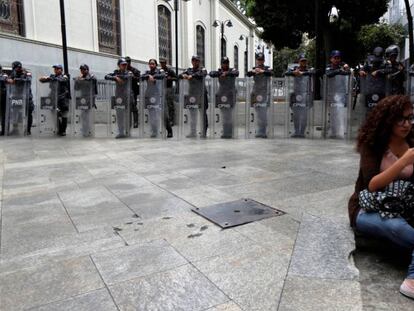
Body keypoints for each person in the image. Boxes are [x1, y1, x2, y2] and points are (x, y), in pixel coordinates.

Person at [348, 95, 414, 299]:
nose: (407, 124)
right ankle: (412, 282)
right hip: (369, 208)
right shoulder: (373, 145)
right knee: (396, 227)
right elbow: (372, 184)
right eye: (401, 119)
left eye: (411, 118)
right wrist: (403, 161)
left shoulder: (411, 142)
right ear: (388, 120)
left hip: (404, 206)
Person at [285, 53, 314, 138]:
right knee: (296, 115)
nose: (303, 62)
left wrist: (302, 73)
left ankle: (302, 132)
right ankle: (296, 131)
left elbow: (314, 72)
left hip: (305, 95)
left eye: (305, 61)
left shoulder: (309, 70)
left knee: (304, 115)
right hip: (295, 95)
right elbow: (286, 73)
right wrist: (294, 72)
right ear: (299, 61)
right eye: (302, 61)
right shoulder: (294, 69)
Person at [209, 57, 239, 138]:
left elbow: (236, 73)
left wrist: (226, 73)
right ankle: (226, 131)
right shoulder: (219, 71)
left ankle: (228, 132)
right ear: (221, 63)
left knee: (229, 114)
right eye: (224, 63)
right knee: (224, 114)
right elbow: (211, 73)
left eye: (226, 63)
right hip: (222, 95)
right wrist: (220, 74)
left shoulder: (232, 70)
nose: (225, 64)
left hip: (230, 95)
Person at [179, 55, 208, 138]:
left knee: (203, 113)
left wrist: (192, 76)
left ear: (199, 61)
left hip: (201, 94)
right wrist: (183, 75)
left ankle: (203, 132)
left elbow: (203, 74)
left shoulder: (202, 69)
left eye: (197, 61)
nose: (195, 62)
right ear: (192, 61)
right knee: (192, 114)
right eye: (194, 60)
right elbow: (179, 75)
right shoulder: (189, 70)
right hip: (192, 95)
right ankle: (193, 132)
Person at [105, 58, 134, 138]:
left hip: (127, 96)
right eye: (123, 65)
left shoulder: (129, 72)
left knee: (128, 115)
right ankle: (121, 132)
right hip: (119, 97)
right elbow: (106, 76)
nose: (124, 66)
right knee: (119, 115)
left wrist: (115, 77)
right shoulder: (116, 73)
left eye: (125, 65)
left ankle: (128, 131)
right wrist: (115, 77)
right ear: (119, 65)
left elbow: (125, 77)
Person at [325, 50, 351, 139]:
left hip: (342, 95)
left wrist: (345, 67)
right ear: (331, 59)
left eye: (338, 58)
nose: (337, 60)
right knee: (332, 114)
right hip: (331, 95)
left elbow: (348, 73)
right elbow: (328, 74)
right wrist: (339, 71)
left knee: (340, 113)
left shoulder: (343, 67)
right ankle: (333, 133)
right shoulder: (328, 68)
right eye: (335, 58)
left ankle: (341, 133)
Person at [39, 64, 70, 136]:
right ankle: (59, 129)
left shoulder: (64, 76)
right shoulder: (52, 76)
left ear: (61, 70)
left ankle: (63, 130)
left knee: (64, 114)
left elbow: (62, 80)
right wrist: (45, 78)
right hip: (53, 98)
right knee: (54, 114)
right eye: (55, 69)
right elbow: (41, 80)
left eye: (57, 68)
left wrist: (51, 78)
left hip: (62, 98)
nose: (55, 70)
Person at [247, 52, 273, 138]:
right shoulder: (254, 69)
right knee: (258, 113)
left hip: (265, 94)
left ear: (264, 60)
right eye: (258, 60)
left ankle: (263, 131)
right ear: (256, 60)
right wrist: (254, 71)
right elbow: (248, 74)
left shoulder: (267, 69)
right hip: (256, 94)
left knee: (264, 114)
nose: (260, 61)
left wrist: (262, 71)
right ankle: (259, 130)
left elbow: (270, 73)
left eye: (261, 60)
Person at [6, 61, 34, 135]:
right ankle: (15, 129)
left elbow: (28, 80)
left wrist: (15, 80)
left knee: (28, 113)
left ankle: (28, 130)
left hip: (27, 97)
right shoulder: (13, 73)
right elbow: (9, 80)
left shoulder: (27, 73)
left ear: (19, 67)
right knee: (15, 113)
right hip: (17, 96)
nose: (15, 69)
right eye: (14, 68)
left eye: (16, 68)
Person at [141, 59, 166, 138]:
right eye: (150, 64)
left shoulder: (160, 71)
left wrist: (153, 76)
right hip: (149, 95)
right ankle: (153, 130)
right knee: (151, 115)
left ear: (156, 65)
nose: (151, 65)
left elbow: (163, 75)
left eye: (153, 64)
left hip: (157, 95)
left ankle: (157, 130)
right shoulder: (147, 72)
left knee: (156, 114)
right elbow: (141, 76)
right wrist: (148, 76)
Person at [359, 47, 386, 112]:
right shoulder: (369, 61)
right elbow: (363, 69)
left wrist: (378, 71)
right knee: (369, 110)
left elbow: (389, 70)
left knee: (380, 110)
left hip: (381, 91)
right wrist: (361, 71)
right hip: (370, 90)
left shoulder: (384, 61)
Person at [74, 64, 97, 137]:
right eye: (81, 70)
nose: (82, 71)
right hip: (82, 99)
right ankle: (85, 130)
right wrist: (77, 81)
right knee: (83, 116)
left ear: (87, 70)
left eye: (84, 69)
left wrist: (81, 80)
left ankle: (89, 131)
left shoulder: (92, 76)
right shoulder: (80, 78)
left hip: (89, 98)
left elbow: (92, 81)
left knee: (88, 116)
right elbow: (76, 88)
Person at [159, 58, 176, 137]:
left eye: (163, 63)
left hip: (169, 88)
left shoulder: (170, 71)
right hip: (161, 89)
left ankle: (172, 120)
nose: (162, 64)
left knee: (170, 104)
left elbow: (176, 78)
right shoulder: (159, 71)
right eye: (161, 63)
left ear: (166, 63)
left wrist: (170, 78)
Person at [124, 56, 140, 128]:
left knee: (133, 106)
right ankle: (128, 122)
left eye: (128, 61)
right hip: (124, 91)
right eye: (125, 62)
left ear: (130, 62)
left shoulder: (135, 70)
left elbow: (139, 79)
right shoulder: (122, 70)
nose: (127, 63)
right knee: (126, 107)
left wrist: (133, 76)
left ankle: (136, 122)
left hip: (133, 90)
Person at [0, 65, 7, 136]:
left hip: (3, 98)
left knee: (3, 115)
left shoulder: (4, 76)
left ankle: (3, 131)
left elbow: (4, 79)